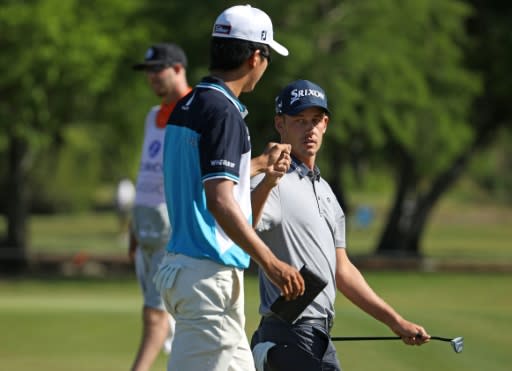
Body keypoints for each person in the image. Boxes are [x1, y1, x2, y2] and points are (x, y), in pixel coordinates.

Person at [153, 5, 305, 371]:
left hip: (192, 273)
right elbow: (220, 202)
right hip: (208, 278)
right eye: (267, 56)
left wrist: (263, 174)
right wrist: (271, 263)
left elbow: (213, 193)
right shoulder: (224, 112)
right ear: (255, 56)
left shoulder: (186, 106)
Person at [249, 80, 431, 371]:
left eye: (316, 121)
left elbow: (342, 270)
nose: (309, 129)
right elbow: (244, 227)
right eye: (299, 121)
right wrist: (268, 182)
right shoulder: (271, 181)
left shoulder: (327, 192)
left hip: (319, 334)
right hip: (286, 332)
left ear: (325, 125)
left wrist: (396, 322)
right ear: (280, 124)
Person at [129, 42, 192, 371]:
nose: (152, 77)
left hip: (173, 228)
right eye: (149, 71)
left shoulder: (196, 110)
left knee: (156, 314)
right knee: (156, 313)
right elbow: (146, 170)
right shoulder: (153, 116)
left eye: (159, 69)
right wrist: (133, 226)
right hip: (146, 228)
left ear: (179, 68)